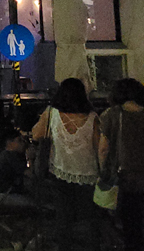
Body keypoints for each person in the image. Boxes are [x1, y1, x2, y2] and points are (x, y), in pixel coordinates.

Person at [31, 78, 101, 251]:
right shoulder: (93, 118)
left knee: (63, 216)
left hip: (60, 171)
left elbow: (36, 134)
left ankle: (65, 246)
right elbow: (99, 148)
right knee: (89, 218)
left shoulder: (51, 113)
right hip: (88, 173)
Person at [98, 78, 144, 251]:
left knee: (130, 225)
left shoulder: (111, 115)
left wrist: (103, 172)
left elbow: (103, 149)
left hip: (125, 178)